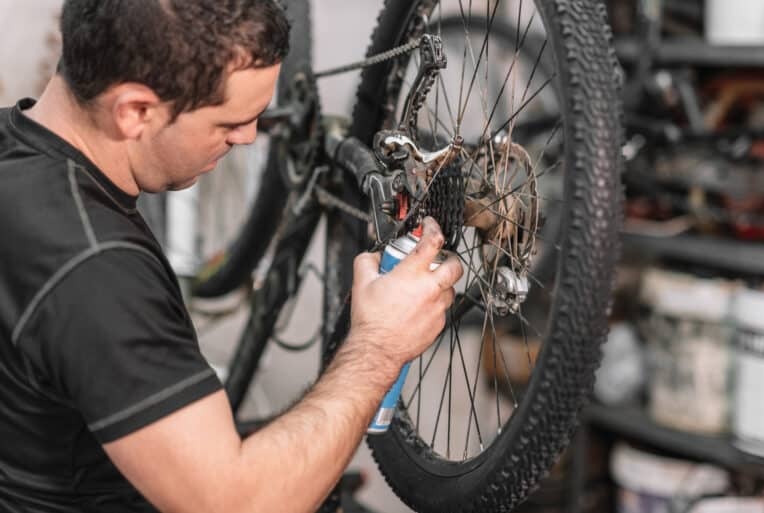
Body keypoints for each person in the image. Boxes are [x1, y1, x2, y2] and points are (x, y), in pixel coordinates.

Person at [0, 1, 463, 512]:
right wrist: (379, 345)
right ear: (135, 110)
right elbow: (238, 503)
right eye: (229, 122)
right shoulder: (93, 271)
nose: (247, 137)